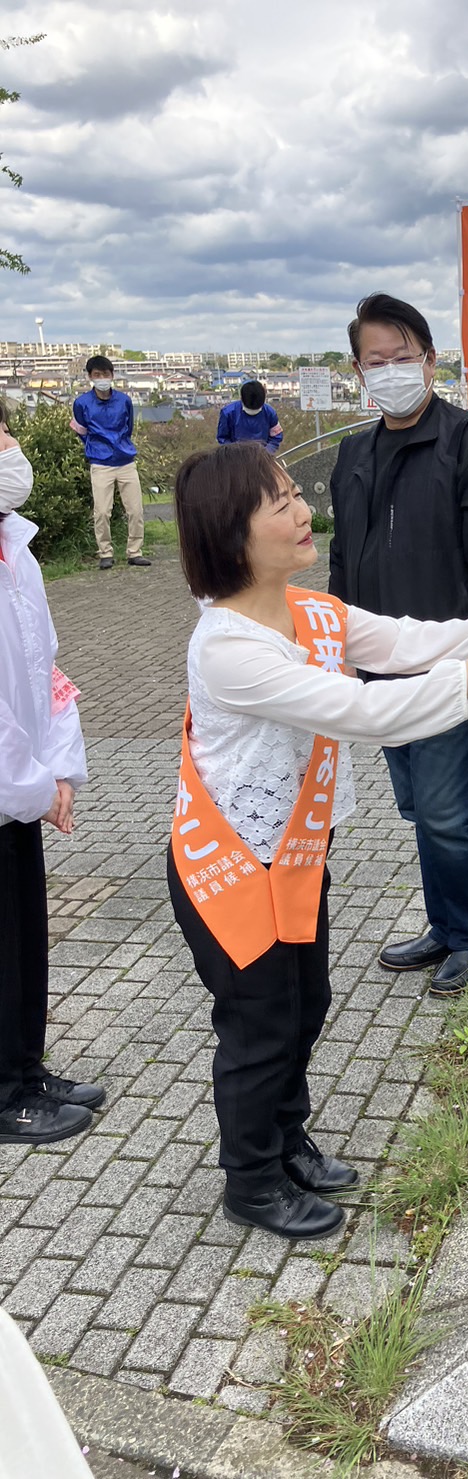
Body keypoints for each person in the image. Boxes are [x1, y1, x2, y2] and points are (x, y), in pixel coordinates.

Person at [169, 441, 468, 1240]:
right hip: (229, 868)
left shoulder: (309, 611)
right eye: (281, 503)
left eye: (296, 494)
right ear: (233, 534)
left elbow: (407, 640)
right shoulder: (229, 646)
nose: (305, 511)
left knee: (307, 1003)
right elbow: (373, 714)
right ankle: (252, 1181)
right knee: (258, 1024)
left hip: (293, 857)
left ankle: (284, 1138)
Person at [329, 293, 468, 996]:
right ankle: (446, 927)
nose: (390, 371)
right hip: (383, 671)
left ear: (430, 360)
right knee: (420, 808)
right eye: (375, 361)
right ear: (358, 370)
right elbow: (343, 560)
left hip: (457, 667)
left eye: (402, 357)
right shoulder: (354, 452)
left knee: (450, 810)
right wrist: (337, 648)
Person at [0, 402, 105, 1145]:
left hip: (20, 787)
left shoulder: (16, 545)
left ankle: (25, 1067)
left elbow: (45, 667)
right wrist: (36, 786)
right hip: (10, 783)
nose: (12, 451)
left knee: (22, 936)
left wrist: (59, 769)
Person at [70, 355, 150, 571]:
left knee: (135, 509)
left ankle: (135, 551)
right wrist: (95, 447)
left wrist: (119, 445)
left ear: (112, 375)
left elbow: (129, 426)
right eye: (97, 375)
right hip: (100, 463)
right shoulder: (81, 403)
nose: (102, 378)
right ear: (90, 377)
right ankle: (105, 553)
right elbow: (81, 430)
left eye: (105, 374)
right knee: (102, 511)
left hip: (125, 460)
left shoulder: (124, 400)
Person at [217, 380, 283, 454]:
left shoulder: (270, 412)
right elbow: (223, 438)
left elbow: (276, 438)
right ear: (241, 398)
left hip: (263, 457)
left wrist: (266, 452)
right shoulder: (227, 413)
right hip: (236, 457)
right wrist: (235, 453)